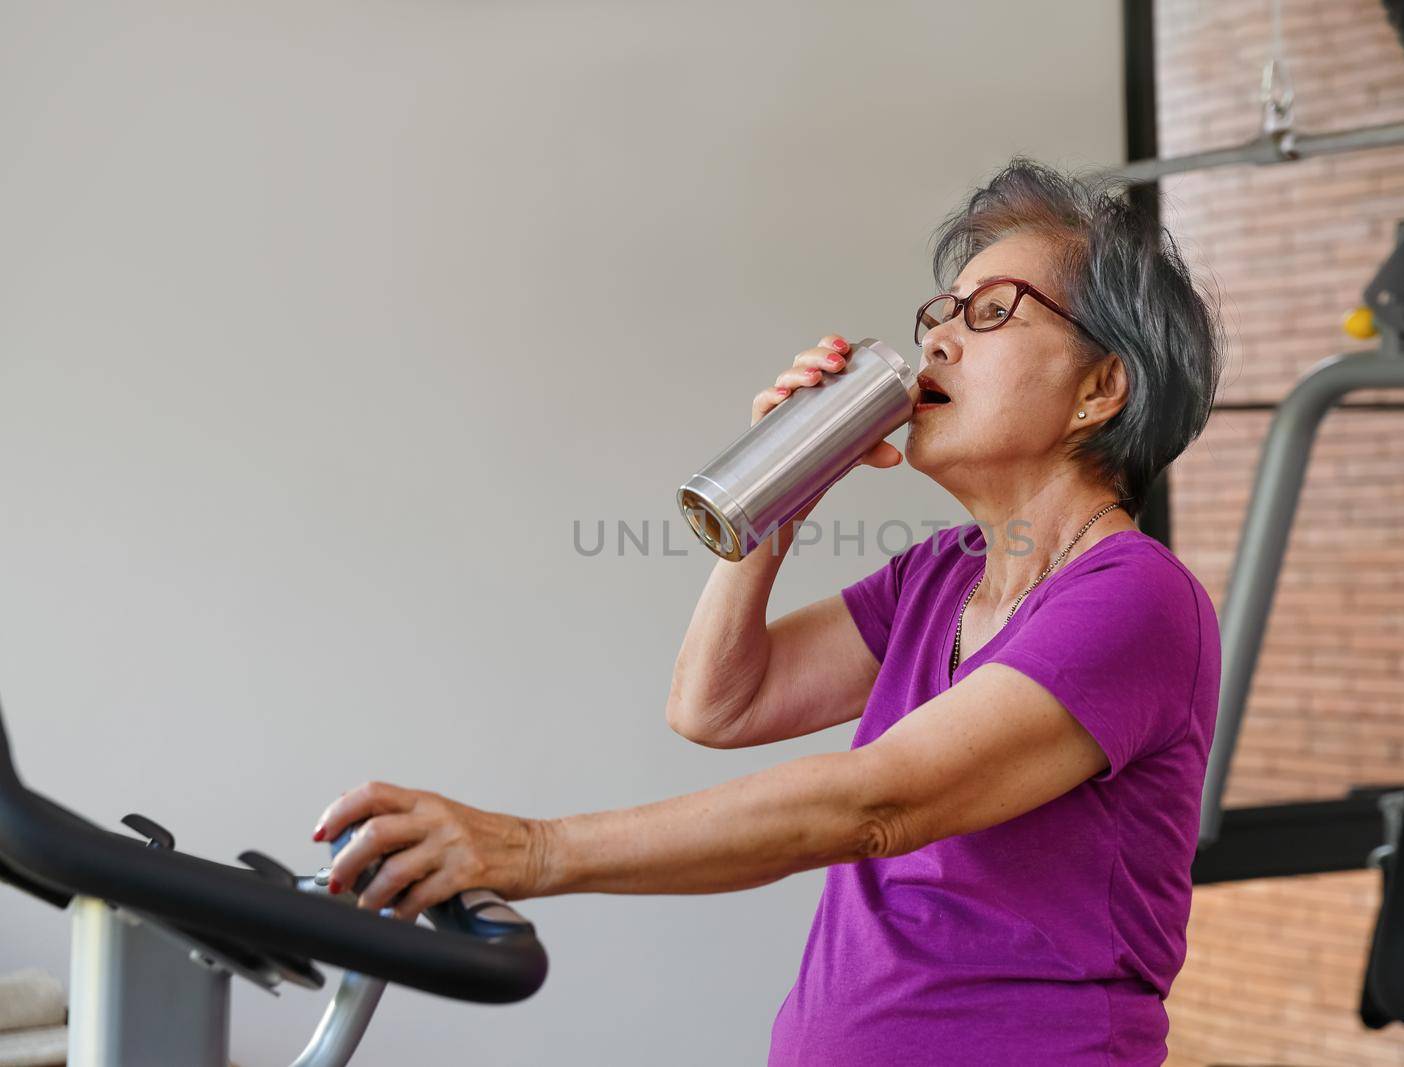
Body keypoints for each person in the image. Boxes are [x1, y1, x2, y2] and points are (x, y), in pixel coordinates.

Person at [312, 156, 1226, 1065]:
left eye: (992, 313)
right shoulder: (941, 577)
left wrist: (533, 851)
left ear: (1102, 388)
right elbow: (719, 704)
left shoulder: (1135, 598)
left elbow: (879, 803)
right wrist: (779, 486)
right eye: (941, 312)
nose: (939, 339)